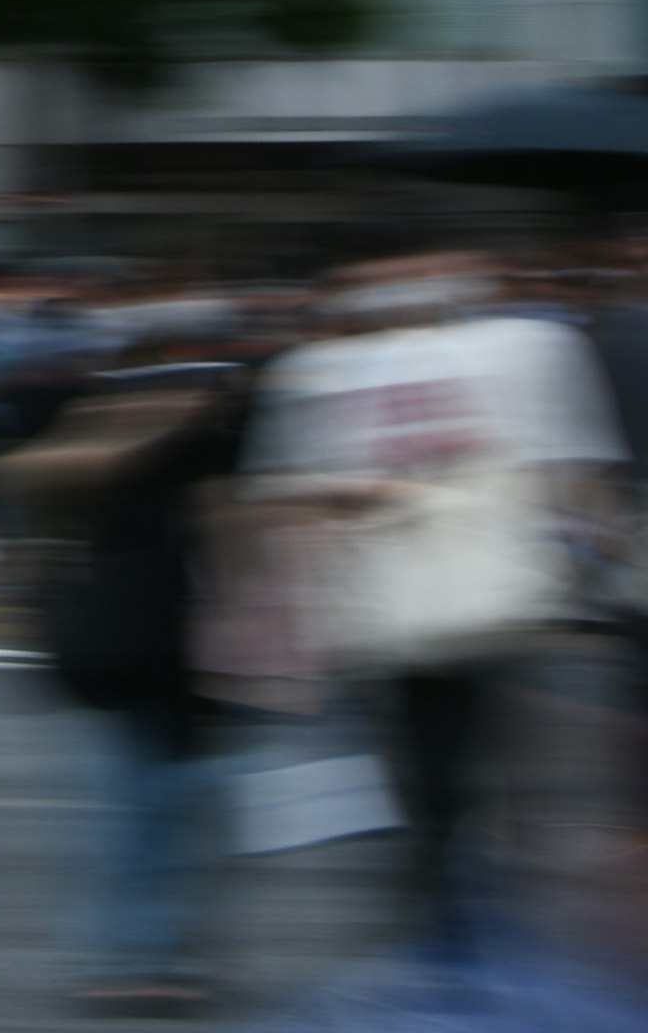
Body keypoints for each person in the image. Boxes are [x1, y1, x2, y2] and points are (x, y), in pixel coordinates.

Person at [242, 247, 627, 955]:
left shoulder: (325, 371)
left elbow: (281, 487)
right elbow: (573, 473)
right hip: (473, 599)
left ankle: (452, 918)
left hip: (417, 606)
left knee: (446, 778)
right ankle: (472, 917)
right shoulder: (526, 348)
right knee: (479, 773)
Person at [0, 298, 251, 1019]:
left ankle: (143, 951)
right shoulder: (137, 435)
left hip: (138, 644)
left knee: (150, 804)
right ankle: (139, 954)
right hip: (148, 644)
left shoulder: (111, 430)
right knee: (149, 805)